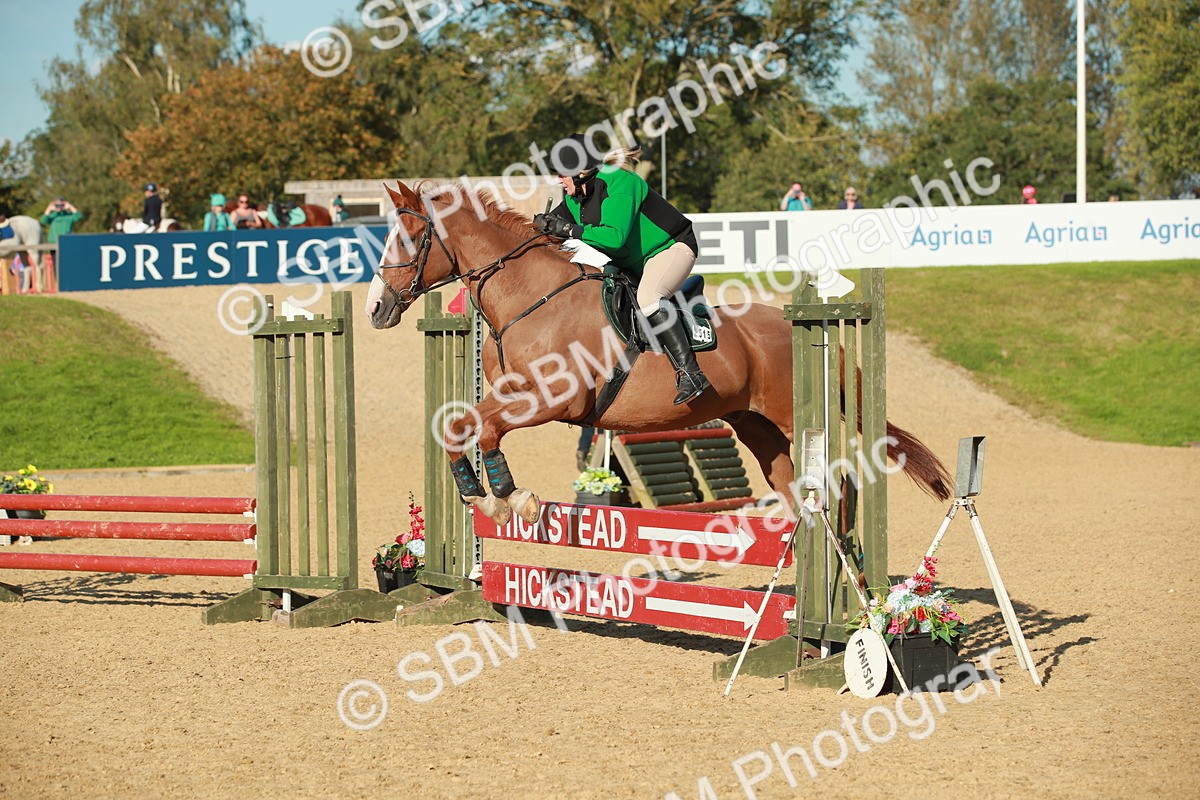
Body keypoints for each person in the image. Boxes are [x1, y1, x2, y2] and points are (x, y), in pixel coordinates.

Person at [533, 133, 710, 405]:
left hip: (671, 249)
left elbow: (614, 237)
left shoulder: (621, 182)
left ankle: (691, 373)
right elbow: (553, 231)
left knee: (649, 299)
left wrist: (569, 229)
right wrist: (539, 227)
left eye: (561, 173)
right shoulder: (574, 196)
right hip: (632, 263)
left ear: (581, 171)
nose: (558, 179)